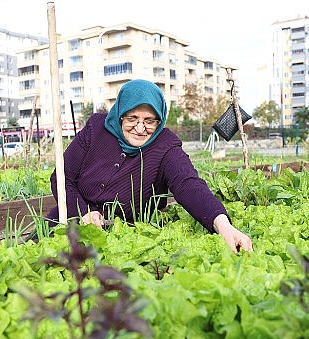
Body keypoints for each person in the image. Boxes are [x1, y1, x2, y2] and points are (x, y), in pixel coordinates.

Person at [46, 79, 253, 253]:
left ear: (159, 119)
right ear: (120, 114)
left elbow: (188, 185)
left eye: (149, 121)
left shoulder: (165, 146)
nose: (140, 128)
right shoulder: (96, 129)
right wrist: (84, 212)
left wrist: (222, 224)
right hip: (67, 220)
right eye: (132, 118)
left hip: (120, 239)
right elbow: (61, 178)